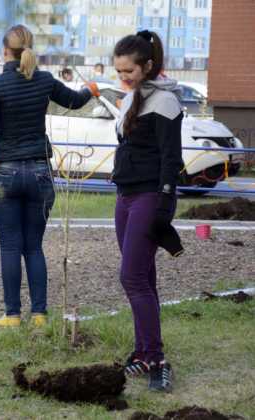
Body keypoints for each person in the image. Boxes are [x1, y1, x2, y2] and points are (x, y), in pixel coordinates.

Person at [0, 24, 99, 329]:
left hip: (4, 178)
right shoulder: (44, 80)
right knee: (34, 246)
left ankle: (13, 315)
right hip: (41, 175)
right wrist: (90, 90)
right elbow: (74, 101)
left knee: (9, 246)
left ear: (5, 52)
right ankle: (40, 315)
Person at [112, 30, 183, 392]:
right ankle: (142, 352)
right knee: (144, 276)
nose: (123, 77)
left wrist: (165, 205)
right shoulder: (131, 99)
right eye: (119, 71)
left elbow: (172, 158)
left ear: (148, 66)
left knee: (132, 278)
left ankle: (156, 358)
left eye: (129, 71)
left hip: (148, 197)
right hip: (124, 196)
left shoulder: (166, 102)